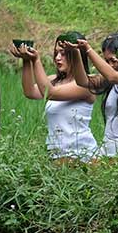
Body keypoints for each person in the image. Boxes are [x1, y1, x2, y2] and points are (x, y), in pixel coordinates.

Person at [12, 32, 98, 162]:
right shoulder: (55, 80)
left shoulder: (87, 84)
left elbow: (50, 93)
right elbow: (30, 91)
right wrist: (26, 60)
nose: (58, 58)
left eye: (63, 54)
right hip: (57, 156)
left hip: (81, 156)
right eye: (56, 53)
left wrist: (36, 60)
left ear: (76, 54)